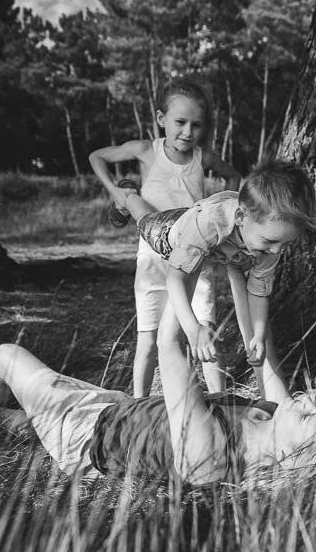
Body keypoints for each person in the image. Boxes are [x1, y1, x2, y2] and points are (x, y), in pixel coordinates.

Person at [0, 305, 316, 485]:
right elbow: (267, 361)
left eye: (308, 417)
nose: (308, 400)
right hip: (118, 408)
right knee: (26, 420)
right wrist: (253, 306)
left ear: (290, 458)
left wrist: (183, 261)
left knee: (6, 358)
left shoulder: (209, 454)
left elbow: (169, 349)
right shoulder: (268, 418)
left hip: (85, 436)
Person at [88, 77, 241, 397]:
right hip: (153, 259)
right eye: (180, 122)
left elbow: (233, 175)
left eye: (196, 125)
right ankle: (137, 404)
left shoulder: (203, 157)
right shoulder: (146, 151)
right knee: (148, 338)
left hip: (196, 259)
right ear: (161, 120)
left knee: (205, 330)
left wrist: (225, 208)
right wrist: (115, 191)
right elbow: (96, 157)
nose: (188, 132)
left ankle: (220, 400)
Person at [112, 160, 316, 377]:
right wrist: (193, 330)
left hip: (198, 223)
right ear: (241, 218)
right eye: (270, 241)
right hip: (169, 233)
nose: (277, 251)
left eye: (284, 244)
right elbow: (175, 280)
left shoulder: (269, 243)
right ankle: (127, 196)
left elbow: (258, 292)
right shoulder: (212, 224)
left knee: (189, 224)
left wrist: (258, 335)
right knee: (145, 218)